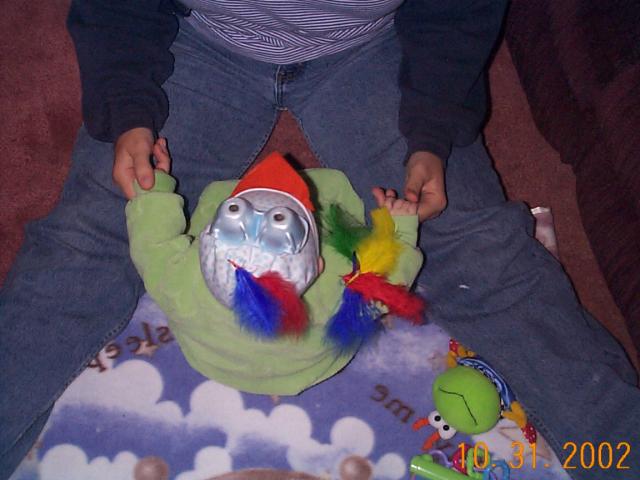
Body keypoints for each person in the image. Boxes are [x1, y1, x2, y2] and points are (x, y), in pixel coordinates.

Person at [0, 1, 638, 478]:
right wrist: (129, 113)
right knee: (86, 238)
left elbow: (454, 14)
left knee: (479, 250)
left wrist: (433, 131)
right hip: (197, 41)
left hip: (374, 49)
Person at [126, 149, 424, 394]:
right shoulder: (332, 298)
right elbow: (385, 289)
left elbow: (151, 243)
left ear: (205, 247)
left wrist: (154, 188)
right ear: (319, 266)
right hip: (304, 367)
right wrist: (400, 227)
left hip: (212, 359)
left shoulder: (179, 280)